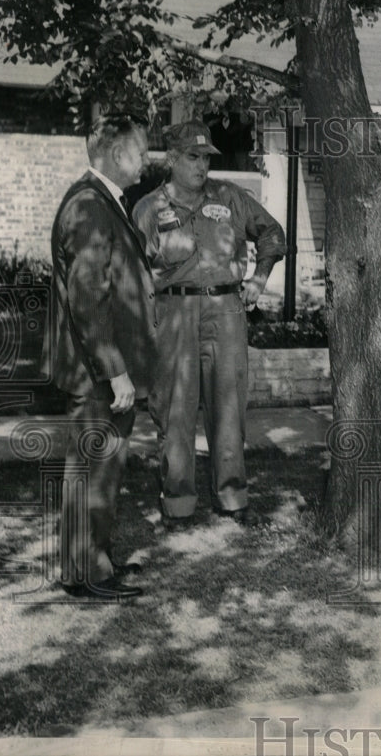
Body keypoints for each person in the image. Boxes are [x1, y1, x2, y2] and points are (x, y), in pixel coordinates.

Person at [133, 121, 286, 530]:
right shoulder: (148, 208)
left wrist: (259, 276)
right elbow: (135, 273)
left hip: (226, 309)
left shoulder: (230, 197)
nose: (202, 166)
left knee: (228, 406)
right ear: (172, 159)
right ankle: (179, 503)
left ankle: (233, 498)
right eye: (192, 157)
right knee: (175, 410)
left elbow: (273, 232)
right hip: (174, 312)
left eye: (206, 158)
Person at [47, 113, 153, 599]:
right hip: (98, 374)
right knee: (94, 470)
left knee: (97, 471)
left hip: (99, 371)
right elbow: (89, 299)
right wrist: (117, 371)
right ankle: (88, 573)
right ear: (116, 154)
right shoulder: (90, 206)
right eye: (141, 151)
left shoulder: (102, 201)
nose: (146, 160)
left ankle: (92, 564)